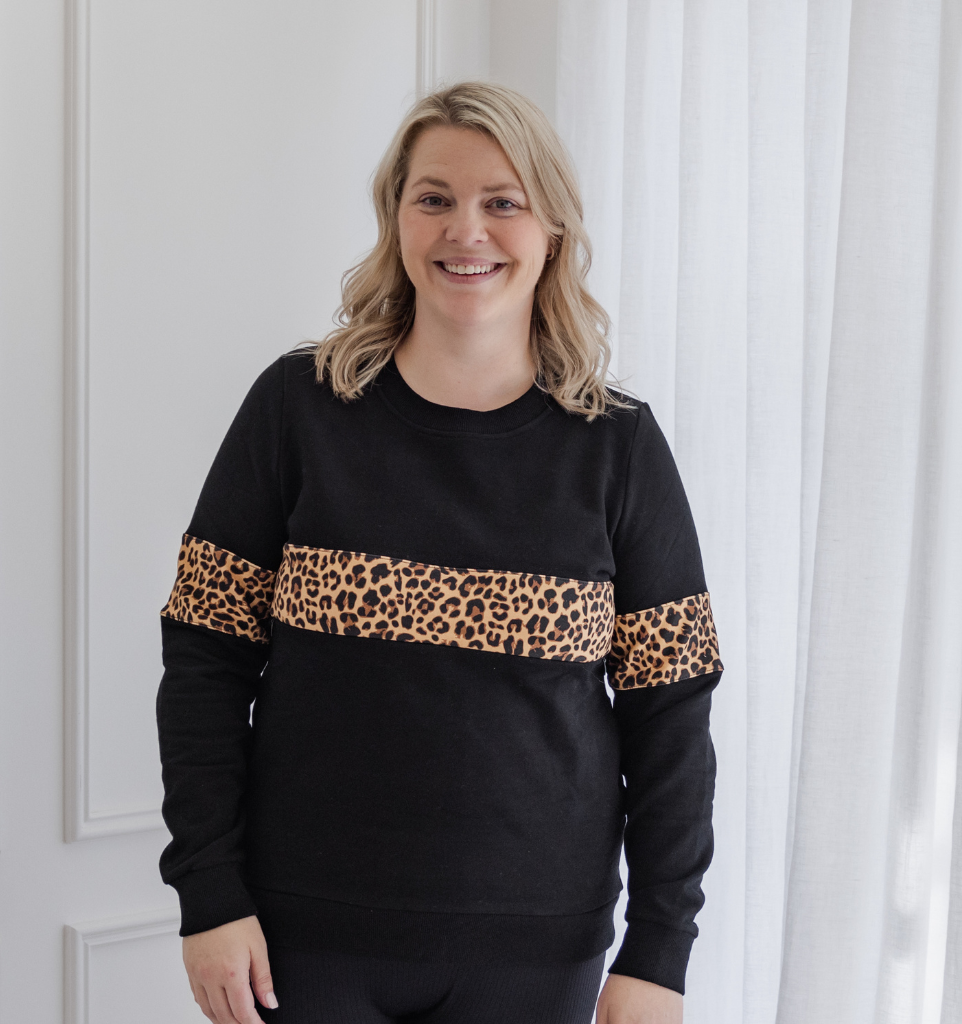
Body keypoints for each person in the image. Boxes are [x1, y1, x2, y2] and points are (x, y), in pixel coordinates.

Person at [156, 81, 723, 1024]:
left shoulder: (617, 446)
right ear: (397, 219)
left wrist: (660, 951)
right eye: (435, 198)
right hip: (302, 938)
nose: (468, 230)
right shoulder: (297, 408)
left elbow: (674, 715)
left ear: (551, 232)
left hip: (539, 950)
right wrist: (208, 893)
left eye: (503, 202)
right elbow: (204, 658)